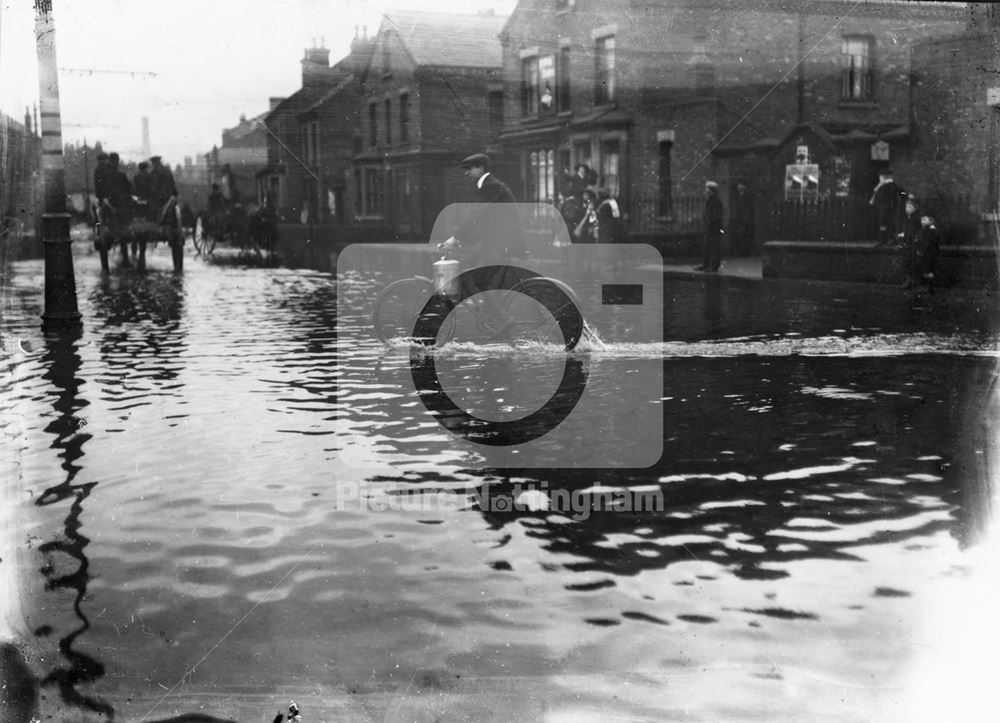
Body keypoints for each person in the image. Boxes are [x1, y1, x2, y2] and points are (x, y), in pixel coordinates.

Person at [869, 168, 908, 246]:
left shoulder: (890, 185)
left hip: (887, 208)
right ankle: (884, 240)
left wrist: (906, 195)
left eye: (881, 176)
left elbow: (901, 192)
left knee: (886, 224)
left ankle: (887, 240)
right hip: (882, 208)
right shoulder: (881, 185)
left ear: (884, 177)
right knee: (883, 224)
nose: (880, 178)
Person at [696, 180, 724, 272]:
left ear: (711, 190)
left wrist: (710, 221)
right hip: (710, 227)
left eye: (707, 188)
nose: (705, 190)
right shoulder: (710, 199)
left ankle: (714, 266)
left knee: (714, 247)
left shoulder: (716, 201)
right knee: (707, 246)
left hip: (714, 227)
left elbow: (716, 216)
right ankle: (706, 264)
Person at [896, 194, 922, 289]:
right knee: (908, 262)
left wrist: (905, 235)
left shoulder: (915, 219)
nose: (907, 209)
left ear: (915, 208)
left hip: (912, 244)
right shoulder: (910, 218)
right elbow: (908, 230)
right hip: (908, 243)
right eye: (906, 207)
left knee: (911, 263)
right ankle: (910, 281)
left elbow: (914, 232)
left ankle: (911, 281)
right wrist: (903, 234)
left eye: (910, 207)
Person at [913, 213, 941, 293]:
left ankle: (929, 287)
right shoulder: (924, 230)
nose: (922, 221)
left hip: (929, 253)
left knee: (929, 270)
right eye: (922, 220)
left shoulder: (932, 231)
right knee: (925, 270)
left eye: (925, 220)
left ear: (931, 221)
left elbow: (928, 243)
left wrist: (921, 250)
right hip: (925, 252)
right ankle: (926, 286)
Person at [149, 155, 178, 224]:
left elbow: (154, 185)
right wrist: (174, 193)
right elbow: (172, 182)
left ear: (154, 163)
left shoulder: (155, 171)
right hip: (169, 196)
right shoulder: (167, 170)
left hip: (159, 197)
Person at [730, 180, 755, 257]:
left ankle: (746, 252)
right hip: (738, 219)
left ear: (745, 186)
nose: (739, 187)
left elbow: (750, 208)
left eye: (741, 185)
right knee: (738, 236)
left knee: (744, 236)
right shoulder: (736, 196)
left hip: (746, 219)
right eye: (738, 185)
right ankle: (739, 251)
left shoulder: (748, 195)